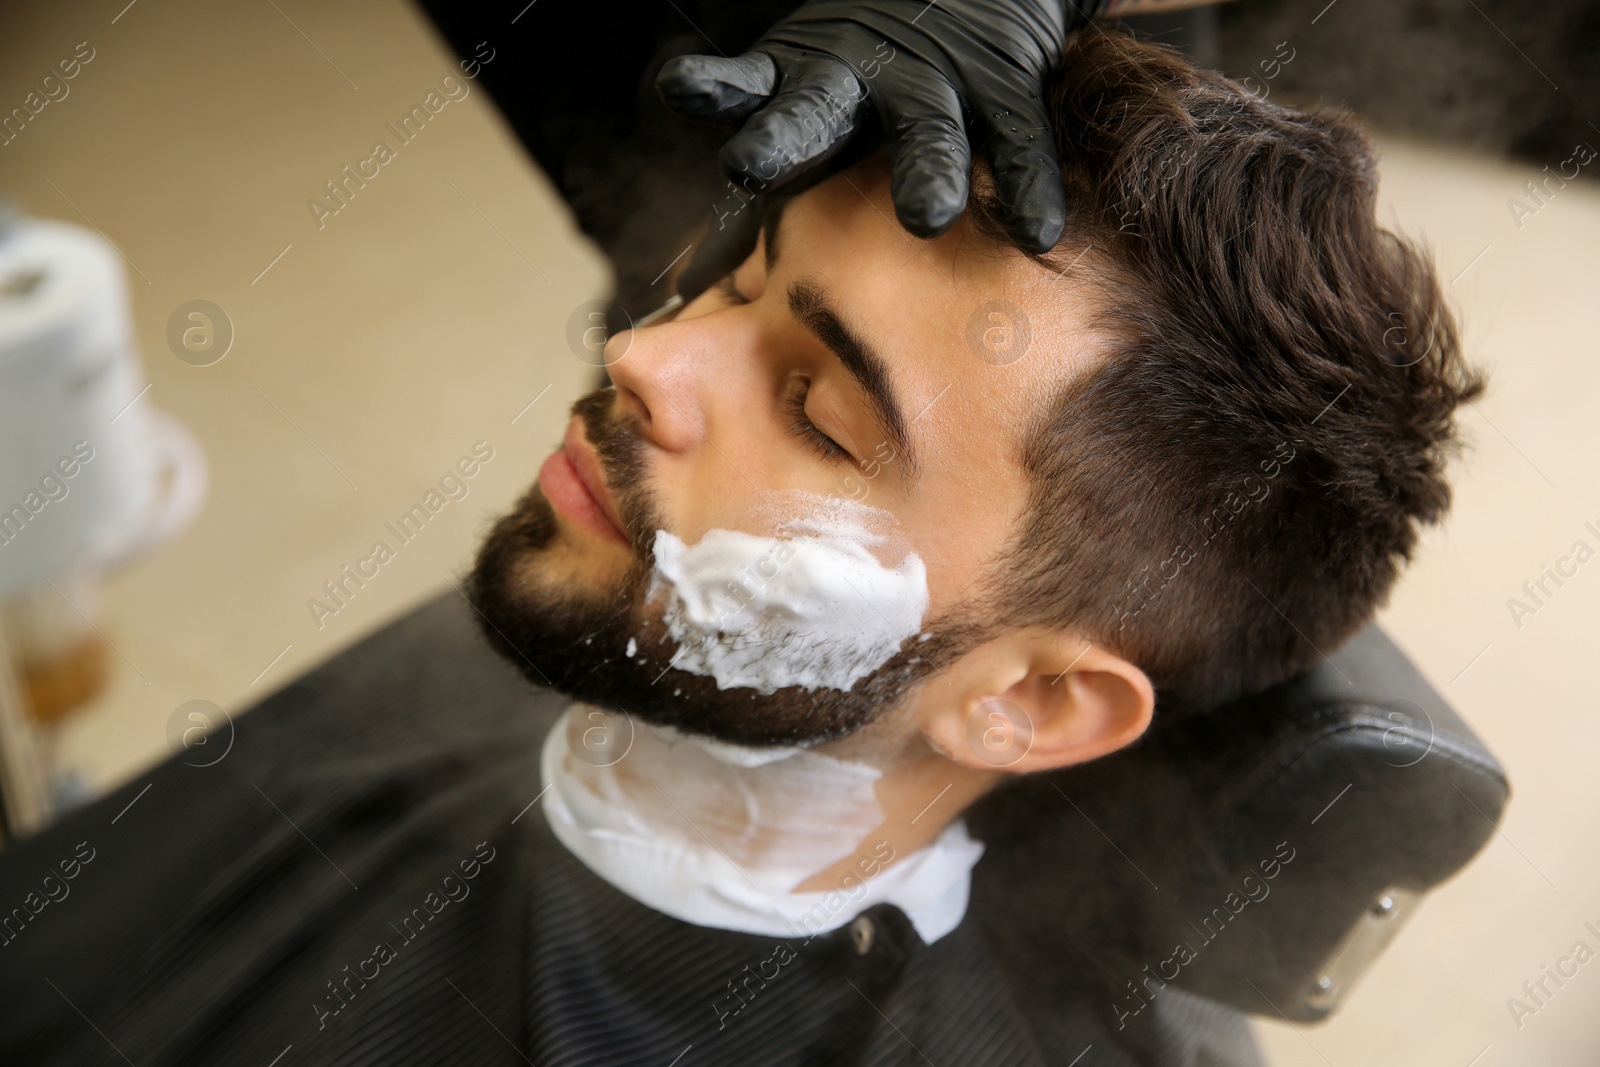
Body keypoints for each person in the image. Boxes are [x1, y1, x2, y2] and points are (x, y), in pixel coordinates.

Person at [0, 27, 1480, 1067]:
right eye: (734, 282)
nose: (645, 353)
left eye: (820, 415)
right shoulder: (624, 623)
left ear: (1029, 703)